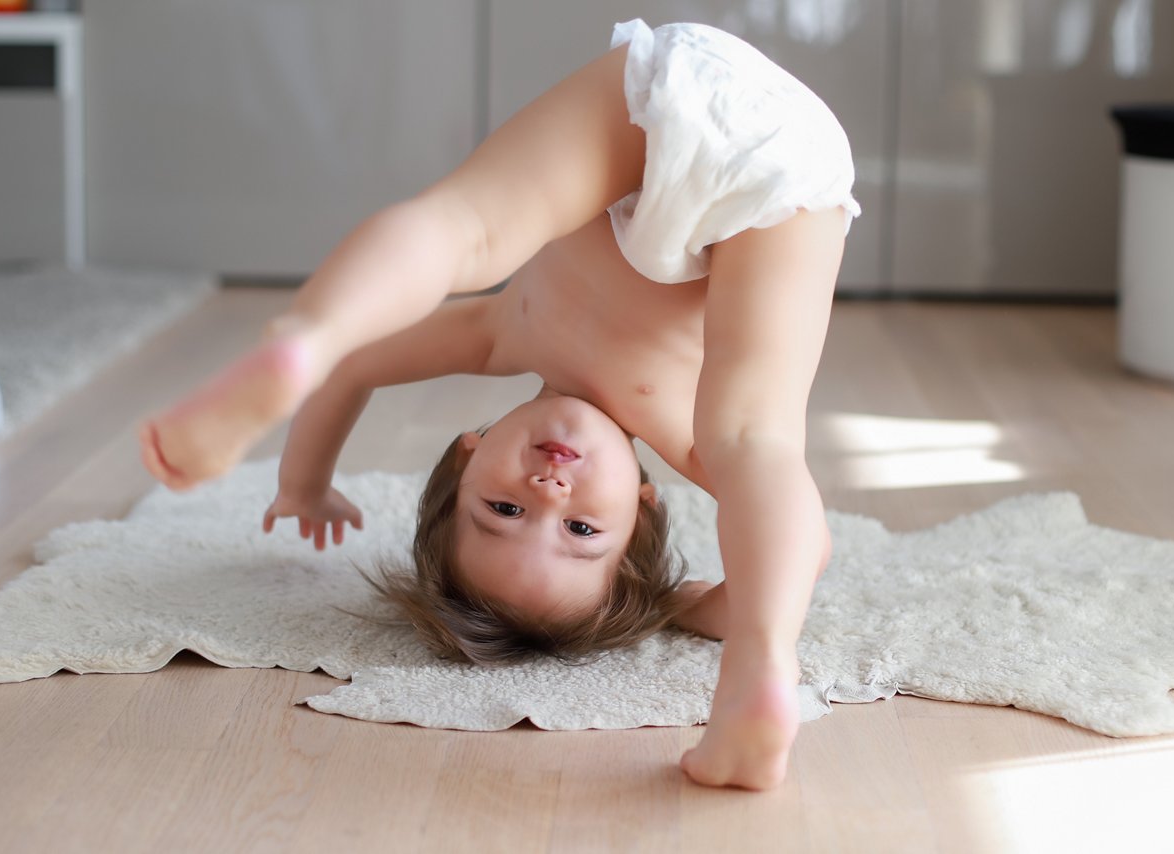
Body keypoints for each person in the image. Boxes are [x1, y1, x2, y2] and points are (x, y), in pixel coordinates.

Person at [139, 19, 859, 790]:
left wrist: (304, 478)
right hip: (783, 174)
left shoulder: (500, 336)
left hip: (670, 102)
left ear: (467, 450)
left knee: (466, 231)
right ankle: (761, 666)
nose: (548, 493)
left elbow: (353, 368)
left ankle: (301, 341)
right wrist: (690, 608)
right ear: (644, 510)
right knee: (755, 442)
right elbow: (799, 540)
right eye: (582, 530)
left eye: (502, 512)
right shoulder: (687, 436)